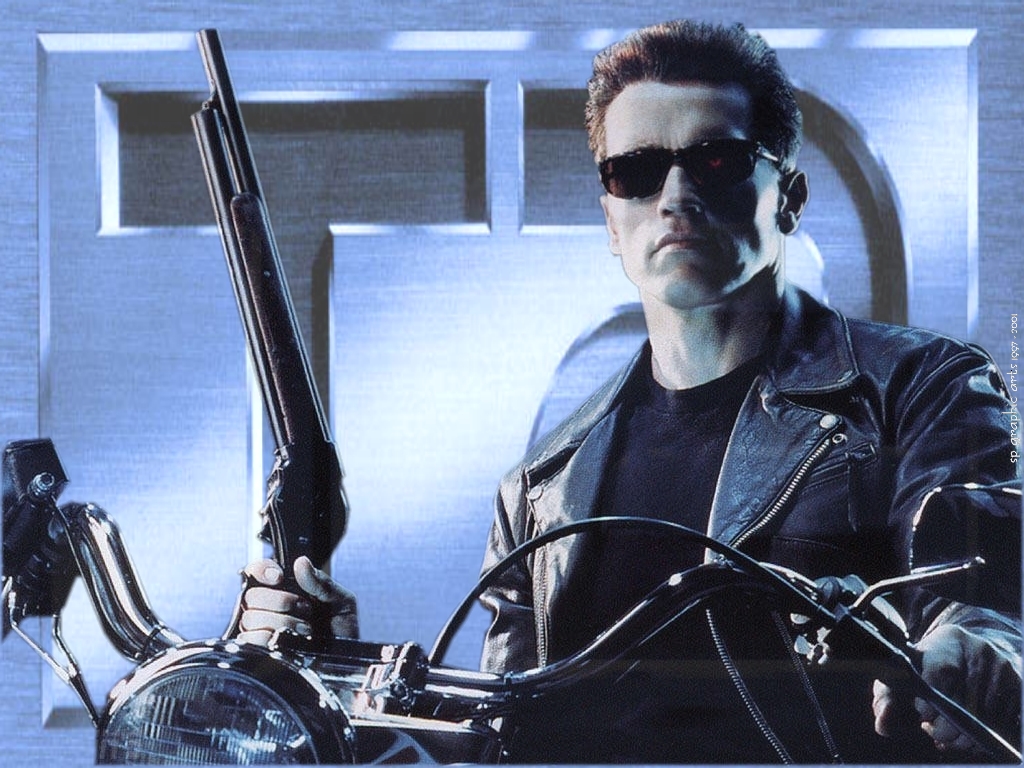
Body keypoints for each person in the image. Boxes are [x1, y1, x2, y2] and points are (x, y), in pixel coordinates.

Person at [236, 20, 1021, 762]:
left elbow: (987, 605)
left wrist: (971, 657)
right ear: (612, 219)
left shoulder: (923, 390)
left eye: (716, 161)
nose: (674, 195)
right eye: (636, 172)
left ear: (788, 196)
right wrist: (338, 672)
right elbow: (498, 743)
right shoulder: (541, 490)